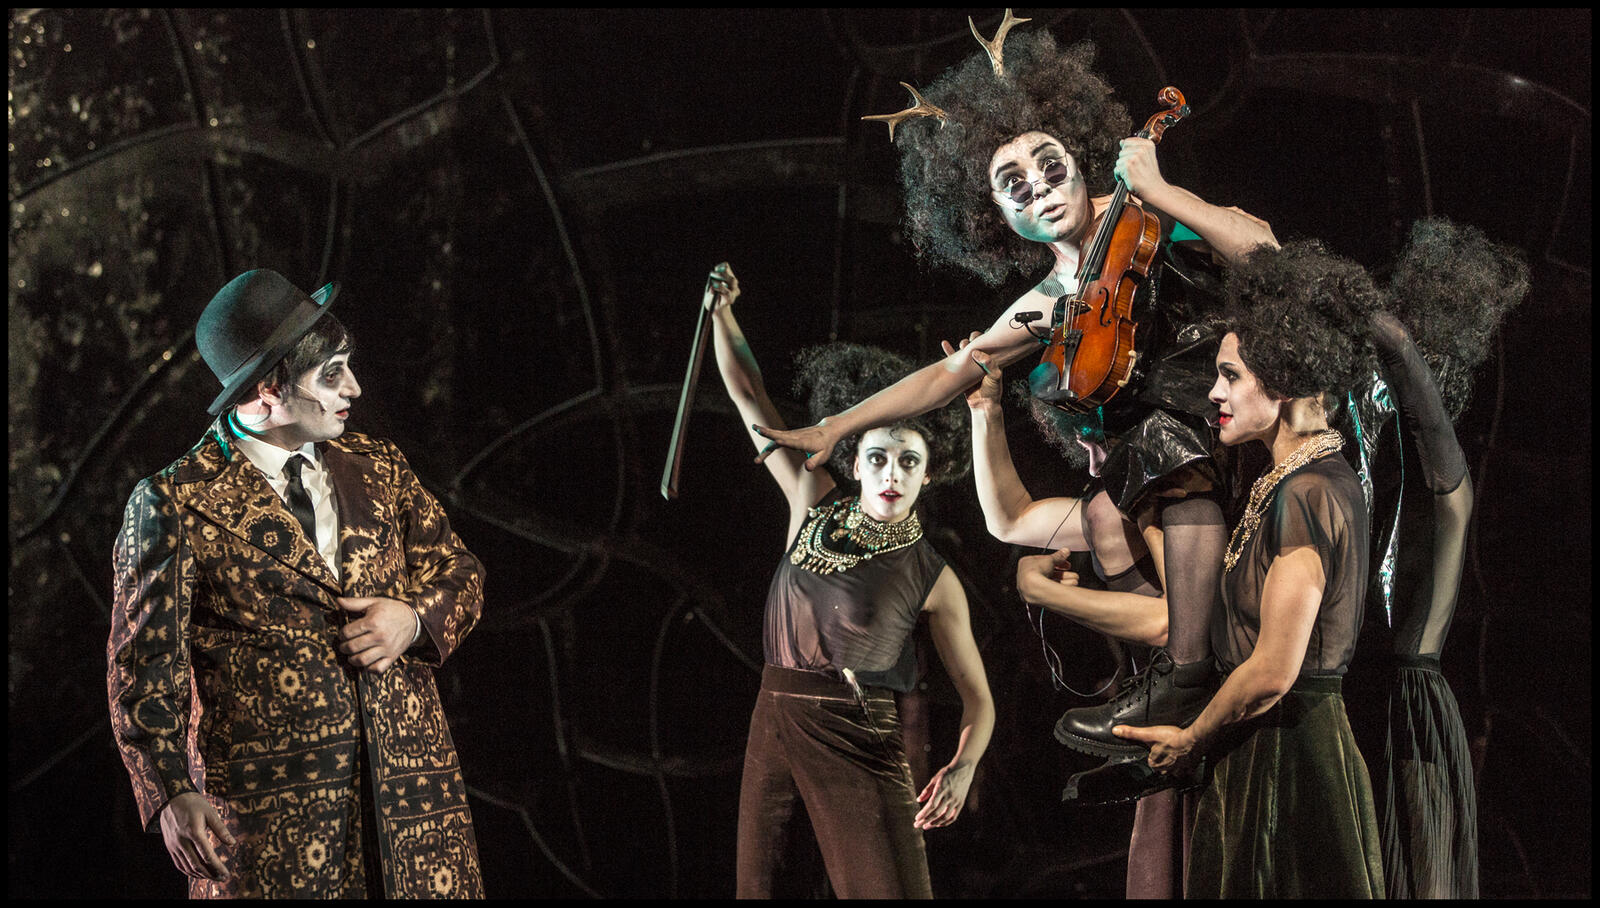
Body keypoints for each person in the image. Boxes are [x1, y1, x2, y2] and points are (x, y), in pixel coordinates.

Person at [750, 20, 1278, 770]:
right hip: (1155, 474)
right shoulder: (1046, 301)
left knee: (1149, 448)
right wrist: (837, 425)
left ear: (1079, 160)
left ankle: (1186, 667)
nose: (1041, 189)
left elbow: (1267, 253)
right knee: (1103, 514)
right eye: (1015, 186)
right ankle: (1165, 672)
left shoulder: (1146, 216)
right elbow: (947, 375)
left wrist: (1162, 190)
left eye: (1050, 167)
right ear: (997, 217)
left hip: (1228, 427)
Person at [106, 269, 486, 898]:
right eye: (331, 375)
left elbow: (460, 572)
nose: (354, 388)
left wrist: (413, 619)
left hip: (414, 813)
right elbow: (142, 666)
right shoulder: (175, 501)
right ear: (266, 390)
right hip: (274, 827)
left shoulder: (379, 468)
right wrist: (169, 791)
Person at [702, 262, 995, 899]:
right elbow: (751, 398)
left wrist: (963, 768)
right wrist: (722, 315)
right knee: (760, 887)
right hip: (773, 716)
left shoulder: (932, 576)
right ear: (855, 464)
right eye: (878, 458)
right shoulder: (811, 499)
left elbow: (979, 698)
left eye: (908, 462)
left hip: (857, 732)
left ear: (928, 474)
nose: (892, 474)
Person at [1113, 241, 1388, 898]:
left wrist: (1191, 738)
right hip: (1262, 744)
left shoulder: (1311, 491)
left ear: (1282, 380)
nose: (1215, 393)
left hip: (1288, 755)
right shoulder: (1288, 482)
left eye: (1230, 376)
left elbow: (1271, 671)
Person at [1362, 219, 1527, 898]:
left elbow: (1405, 360)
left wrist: (1333, 294)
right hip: (1359, 697)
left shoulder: (1446, 475)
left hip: (1409, 708)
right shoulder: (1374, 474)